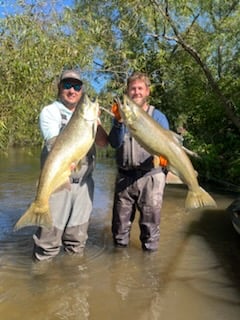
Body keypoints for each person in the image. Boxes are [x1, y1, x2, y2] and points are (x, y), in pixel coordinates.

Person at [33, 67, 108, 262]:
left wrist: (95, 122)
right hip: (58, 182)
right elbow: (54, 144)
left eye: (76, 86)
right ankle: (41, 284)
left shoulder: (88, 117)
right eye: (67, 85)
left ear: (81, 90)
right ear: (60, 88)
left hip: (84, 184)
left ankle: (73, 285)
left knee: (77, 241)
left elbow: (102, 143)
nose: (72, 90)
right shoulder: (50, 112)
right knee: (47, 243)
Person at [108, 71, 169, 252]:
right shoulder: (120, 114)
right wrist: (118, 122)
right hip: (124, 177)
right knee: (119, 230)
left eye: (140, 88)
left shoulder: (158, 116)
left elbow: (166, 147)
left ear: (147, 91)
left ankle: (148, 270)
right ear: (127, 92)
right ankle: (118, 267)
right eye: (132, 89)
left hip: (150, 177)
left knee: (150, 229)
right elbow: (114, 143)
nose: (136, 92)